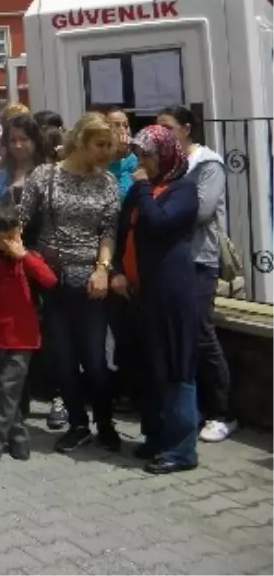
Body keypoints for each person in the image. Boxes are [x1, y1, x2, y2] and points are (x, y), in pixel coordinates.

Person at [20, 112, 121, 453]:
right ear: (81, 141)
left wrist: (103, 268)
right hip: (51, 278)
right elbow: (21, 219)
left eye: (110, 144)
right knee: (62, 360)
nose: (107, 151)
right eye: (101, 144)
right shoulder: (45, 176)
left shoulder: (106, 182)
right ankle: (78, 423)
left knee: (94, 360)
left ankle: (105, 422)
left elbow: (109, 230)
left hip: (90, 279)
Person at [112, 125, 201, 474]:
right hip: (139, 292)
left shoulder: (184, 190)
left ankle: (181, 449)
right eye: (139, 155)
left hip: (171, 294)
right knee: (148, 367)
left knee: (176, 367)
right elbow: (124, 231)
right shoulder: (139, 190)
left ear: (165, 155)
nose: (141, 161)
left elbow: (160, 222)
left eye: (148, 155)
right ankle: (156, 435)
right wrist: (118, 269)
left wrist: (146, 186)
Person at [156, 106, 237, 443]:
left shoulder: (208, 163)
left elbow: (202, 210)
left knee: (202, 333)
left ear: (186, 129)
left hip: (199, 259)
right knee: (177, 336)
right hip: (170, 260)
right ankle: (191, 407)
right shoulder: (164, 163)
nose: (161, 134)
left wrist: (161, 209)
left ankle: (223, 412)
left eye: (168, 128)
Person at [0, 199, 58, 470]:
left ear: (19, 231)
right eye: (0, 239)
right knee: (2, 390)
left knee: (8, 388)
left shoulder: (29, 257)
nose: (6, 243)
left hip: (23, 336)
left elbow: (49, 280)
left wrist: (23, 256)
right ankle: (19, 434)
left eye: (11, 236)